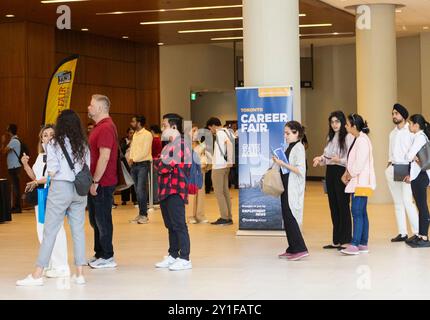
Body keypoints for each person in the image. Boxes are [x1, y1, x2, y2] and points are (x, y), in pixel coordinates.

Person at [16, 109, 90, 286]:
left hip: (60, 188)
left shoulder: (54, 144)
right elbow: (88, 166)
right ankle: (79, 274)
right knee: (78, 231)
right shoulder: (83, 144)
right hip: (80, 190)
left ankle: (37, 275)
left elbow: (52, 170)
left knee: (49, 232)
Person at [21, 124, 70, 278]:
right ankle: (49, 263)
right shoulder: (41, 156)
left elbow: (52, 176)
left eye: (51, 134)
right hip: (42, 196)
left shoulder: (59, 154)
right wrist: (25, 164)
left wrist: (37, 182)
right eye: (45, 135)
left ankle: (61, 266)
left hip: (55, 196)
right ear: (41, 139)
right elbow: (35, 177)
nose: (48, 138)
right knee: (42, 230)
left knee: (56, 230)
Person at [154, 113, 192, 271]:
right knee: (170, 225)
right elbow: (159, 163)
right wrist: (160, 162)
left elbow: (163, 166)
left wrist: (159, 162)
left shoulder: (181, 144)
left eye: (165, 126)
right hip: (165, 190)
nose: (162, 129)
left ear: (174, 127)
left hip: (176, 190)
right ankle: (173, 254)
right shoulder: (168, 145)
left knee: (179, 225)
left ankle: (185, 257)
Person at [87, 95, 119, 269]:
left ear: (100, 108)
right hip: (98, 181)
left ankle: (108, 256)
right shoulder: (99, 127)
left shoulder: (106, 127)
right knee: (95, 219)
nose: (88, 107)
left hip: (102, 182)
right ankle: (99, 253)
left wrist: (95, 181)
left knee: (102, 219)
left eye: (91, 105)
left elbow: (104, 157)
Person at [313, 111, 353, 250]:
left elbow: (351, 158)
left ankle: (346, 240)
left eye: (337, 121)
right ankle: (336, 240)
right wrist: (320, 159)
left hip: (342, 172)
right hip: (330, 172)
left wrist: (339, 160)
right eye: (332, 122)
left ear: (342, 122)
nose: (334, 124)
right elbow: (327, 156)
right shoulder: (330, 137)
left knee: (343, 206)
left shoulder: (348, 137)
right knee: (333, 206)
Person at [273, 121, 309, 261]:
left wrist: (283, 163)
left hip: (292, 187)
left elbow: (300, 170)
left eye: (288, 133)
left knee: (291, 216)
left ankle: (300, 248)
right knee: (287, 217)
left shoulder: (299, 148)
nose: (285, 136)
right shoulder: (290, 147)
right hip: (286, 186)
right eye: (285, 133)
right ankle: (292, 248)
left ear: (297, 133)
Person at [341, 114, 376, 256]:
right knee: (361, 212)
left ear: (354, 126)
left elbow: (359, 164)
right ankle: (362, 243)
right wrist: (348, 172)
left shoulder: (362, 140)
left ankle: (355, 244)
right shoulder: (359, 139)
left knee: (356, 212)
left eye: (347, 124)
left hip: (361, 183)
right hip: (360, 182)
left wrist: (349, 174)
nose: (345, 126)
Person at [386, 104, 419, 242]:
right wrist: (388, 167)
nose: (394, 116)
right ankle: (402, 233)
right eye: (393, 113)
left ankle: (417, 233)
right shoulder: (392, 133)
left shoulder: (410, 132)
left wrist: (412, 172)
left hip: (406, 169)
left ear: (403, 116)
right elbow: (390, 153)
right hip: (393, 168)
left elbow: (416, 154)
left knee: (407, 201)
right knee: (398, 202)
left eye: (397, 113)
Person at [404, 114, 430, 248]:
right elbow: (410, 156)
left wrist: (412, 156)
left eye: (410, 123)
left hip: (421, 175)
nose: (409, 125)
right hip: (417, 175)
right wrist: (413, 157)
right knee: (420, 206)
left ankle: (424, 237)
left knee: (422, 206)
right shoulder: (418, 137)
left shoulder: (420, 137)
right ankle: (420, 235)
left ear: (416, 125)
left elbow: (408, 155)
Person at [207, 117, 234, 226]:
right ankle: (228, 216)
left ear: (213, 126)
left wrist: (230, 160)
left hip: (219, 166)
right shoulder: (227, 131)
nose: (210, 131)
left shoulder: (219, 133)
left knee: (219, 193)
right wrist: (230, 161)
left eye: (210, 128)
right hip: (224, 166)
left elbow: (229, 145)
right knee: (225, 192)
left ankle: (224, 217)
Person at [129, 115, 153, 224]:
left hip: (143, 164)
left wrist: (133, 159)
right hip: (134, 165)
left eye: (133, 121)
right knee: (137, 191)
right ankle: (140, 214)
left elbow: (145, 151)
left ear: (139, 123)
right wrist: (130, 158)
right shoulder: (135, 134)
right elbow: (133, 149)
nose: (131, 123)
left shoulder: (147, 134)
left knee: (141, 190)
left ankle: (144, 215)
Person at [188, 126, 209, 224]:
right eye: (193, 131)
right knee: (191, 194)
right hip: (190, 171)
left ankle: (200, 215)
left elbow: (205, 156)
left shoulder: (202, 145)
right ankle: (190, 216)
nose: (195, 133)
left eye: (197, 131)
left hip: (200, 170)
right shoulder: (186, 146)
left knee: (200, 193)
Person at [1, 124, 22, 213]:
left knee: (16, 187)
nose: (6, 132)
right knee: (15, 186)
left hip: (14, 167)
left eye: (7, 130)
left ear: (10, 131)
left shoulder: (14, 141)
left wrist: (2, 142)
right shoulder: (14, 140)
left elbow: (3, 151)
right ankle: (16, 206)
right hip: (14, 167)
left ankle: (17, 207)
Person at [120, 127, 137, 206]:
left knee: (134, 182)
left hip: (134, 163)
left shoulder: (137, 140)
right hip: (125, 163)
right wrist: (128, 144)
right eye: (130, 133)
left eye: (133, 133)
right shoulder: (123, 140)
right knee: (126, 181)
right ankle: (124, 199)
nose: (132, 134)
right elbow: (121, 150)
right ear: (127, 134)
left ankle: (135, 199)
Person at [150, 125, 162, 205]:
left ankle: (155, 198)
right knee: (156, 180)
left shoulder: (154, 140)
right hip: (159, 160)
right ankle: (156, 197)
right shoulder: (160, 140)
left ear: (152, 131)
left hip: (154, 161)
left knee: (154, 181)